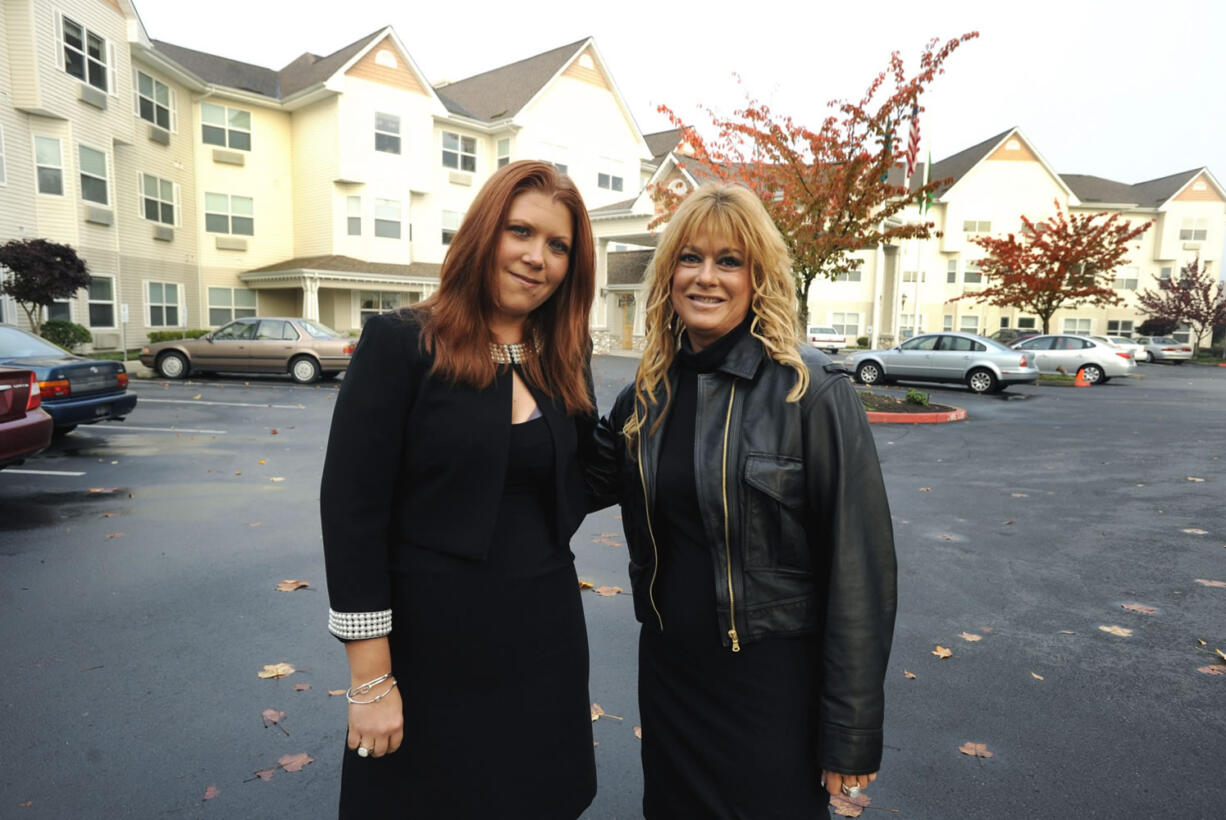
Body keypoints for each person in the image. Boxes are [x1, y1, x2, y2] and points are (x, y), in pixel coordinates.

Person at [586, 183, 897, 818]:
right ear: (668, 272)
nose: (706, 277)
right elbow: (560, 486)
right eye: (690, 258)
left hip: (770, 689)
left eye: (729, 261)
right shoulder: (646, 396)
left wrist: (850, 737)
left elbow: (860, 574)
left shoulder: (810, 392)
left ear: (759, 278)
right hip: (672, 675)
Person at [320, 160, 598, 819]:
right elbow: (352, 512)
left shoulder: (562, 356)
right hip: (428, 653)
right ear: (484, 233)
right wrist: (371, 681)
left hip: (544, 642)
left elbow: (593, 474)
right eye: (520, 232)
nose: (537, 258)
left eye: (558, 246)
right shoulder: (403, 344)